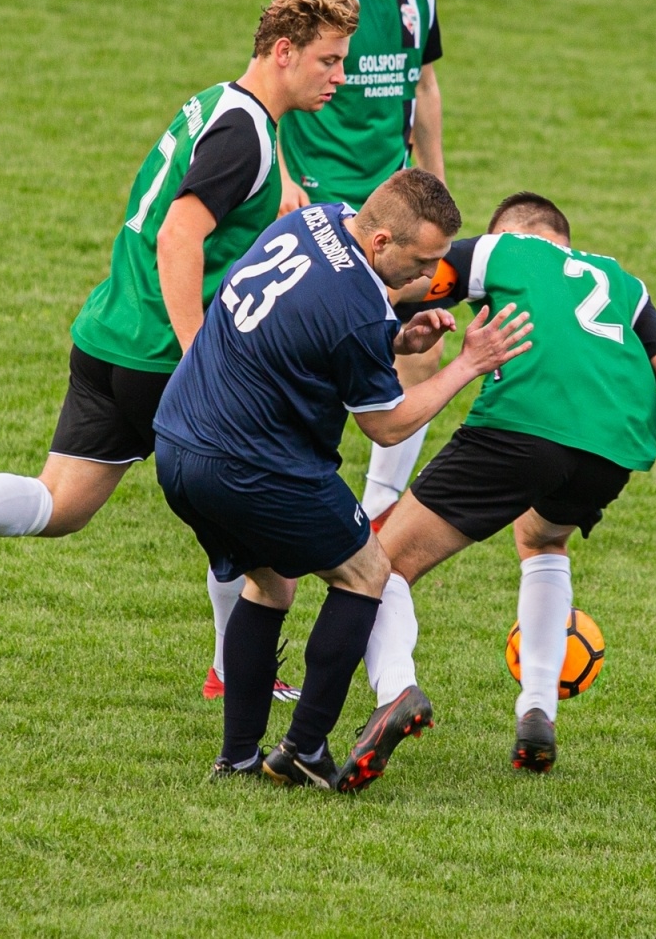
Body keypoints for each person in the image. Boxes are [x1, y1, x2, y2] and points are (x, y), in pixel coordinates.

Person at [0, 0, 360, 704]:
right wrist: (203, 354)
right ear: (284, 51)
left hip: (108, 339)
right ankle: (236, 675)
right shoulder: (246, 136)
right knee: (267, 548)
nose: (340, 76)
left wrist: (285, 188)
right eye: (330, 61)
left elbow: (218, 187)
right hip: (166, 361)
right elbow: (180, 237)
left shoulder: (220, 105)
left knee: (61, 503)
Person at [336, 192, 656, 791]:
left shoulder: (501, 250)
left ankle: (395, 691)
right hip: (611, 450)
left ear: (511, 231)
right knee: (542, 539)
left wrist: (394, 326)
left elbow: (400, 278)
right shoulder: (623, 284)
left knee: (381, 565)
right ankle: (537, 708)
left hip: (521, 429)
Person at [151, 170, 531, 787]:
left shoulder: (315, 219)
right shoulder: (357, 307)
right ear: (381, 242)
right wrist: (468, 363)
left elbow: (313, 328)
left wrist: (398, 338)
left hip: (179, 440)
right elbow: (387, 426)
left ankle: (238, 757)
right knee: (368, 572)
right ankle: (304, 746)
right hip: (253, 464)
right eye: (423, 261)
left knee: (270, 584)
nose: (431, 278)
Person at [276, 0, 449, 531]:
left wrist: (434, 182)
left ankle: (377, 508)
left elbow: (425, 86)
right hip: (320, 202)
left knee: (422, 346)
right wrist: (283, 176)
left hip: (396, 201)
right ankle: (281, 471)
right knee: (313, 345)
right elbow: (266, 83)